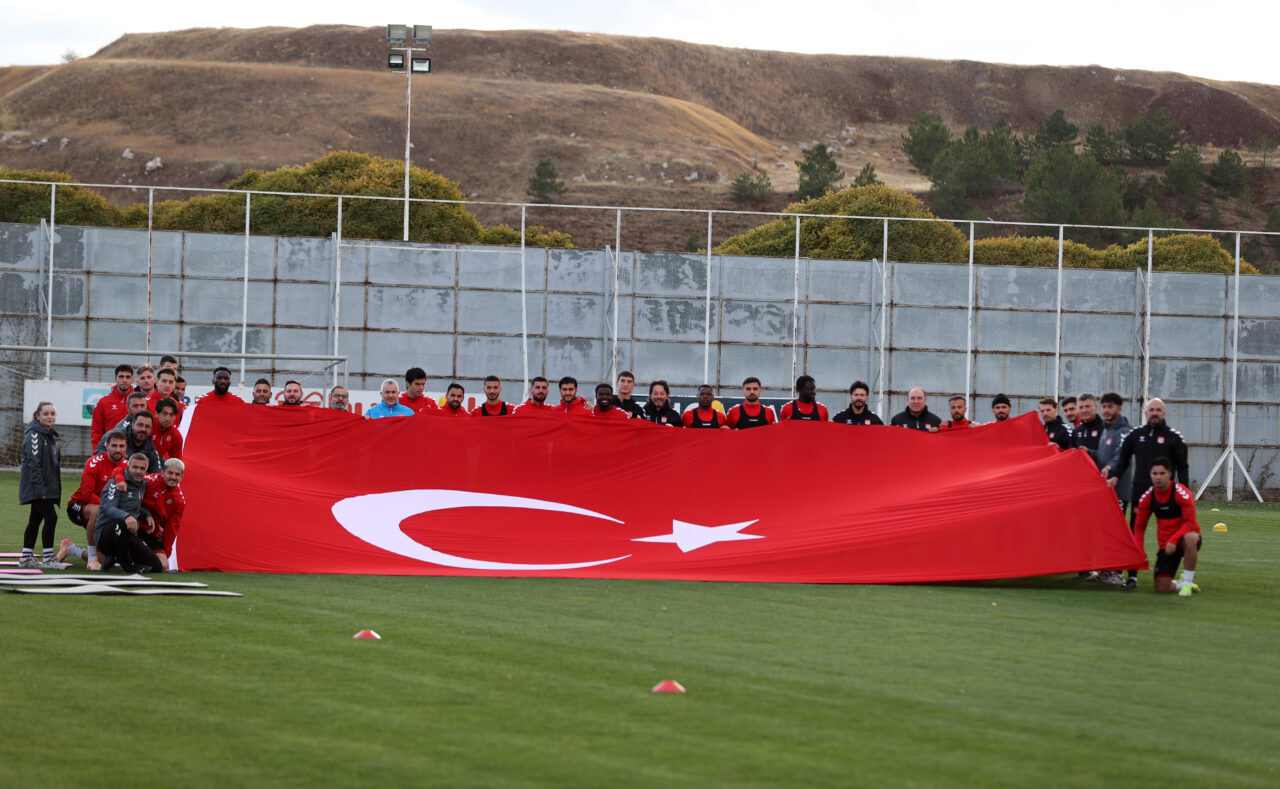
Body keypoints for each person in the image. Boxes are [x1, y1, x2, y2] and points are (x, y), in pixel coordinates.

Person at [58, 430, 128, 570]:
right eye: (114, 445)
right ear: (106, 446)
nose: (117, 449)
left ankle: (70, 548)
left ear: (126, 447)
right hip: (80, 506)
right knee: (96, 512)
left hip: (109, 509)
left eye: (121, 446)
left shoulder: (128, 466)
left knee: (107, 561)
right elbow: (85, 494)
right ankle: (92, 558)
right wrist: (110, 508)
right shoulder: (94, 462)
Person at [1132, 457, 1202, 596]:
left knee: (1191, 538)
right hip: (1166, 546)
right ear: (1150, 475)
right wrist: (1139, 551)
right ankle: (1181, 583)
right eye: (1155, 473)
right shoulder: (1147, 497)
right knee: (1161, 589)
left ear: (1169, 474)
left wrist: (1174, 539)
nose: (1158, 477)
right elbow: (1139, 527)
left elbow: (1191, 523)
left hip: (1183, 539)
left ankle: (1187, 584)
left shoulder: (1181, 493)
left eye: (1162, 473)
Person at [94, 452, 163, 574]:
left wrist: (146, 514)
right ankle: (128, 565)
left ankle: (114, 557)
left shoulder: (142, 484)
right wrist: (127, 516)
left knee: (157, 567)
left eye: (142, 468)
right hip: (106, 535)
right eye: (135, 467)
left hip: (128, 535)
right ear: (128, 467)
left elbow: (134, 506)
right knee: (120, 523)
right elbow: (108, 508)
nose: (138, 471)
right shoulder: (116, 483)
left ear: (146, 471)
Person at [18, 401, 63, 569]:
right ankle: (49, 558)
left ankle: (26, 557)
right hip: (38, 488)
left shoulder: (49, 435)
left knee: (35, 519)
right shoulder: (35, 435)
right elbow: (33, 464)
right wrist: (40, 489)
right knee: (51, 518)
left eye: (52, 413)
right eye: (46, 414)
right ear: (38, 416)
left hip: (46, 487)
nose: (50, 416)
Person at [139, 458, 186, 560]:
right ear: (163, 472)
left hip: (152, 534)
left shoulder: (179, 501)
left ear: (182, 477)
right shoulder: (148, 482)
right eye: (170, 473)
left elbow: (171, 530)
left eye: (177, 475)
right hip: (134, 525)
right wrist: (145, 515)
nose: (173, 477)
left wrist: (166, 553)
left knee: (162, 565)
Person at [90, 363, 134, 447]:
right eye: (121, 377)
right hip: (111, 450)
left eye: (127, 377)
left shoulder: (140, 402)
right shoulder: (103, 402)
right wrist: (98, 451)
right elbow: (96, 431)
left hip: (133, 451)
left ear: (132, 379)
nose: (124, 380)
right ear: (115, 379)